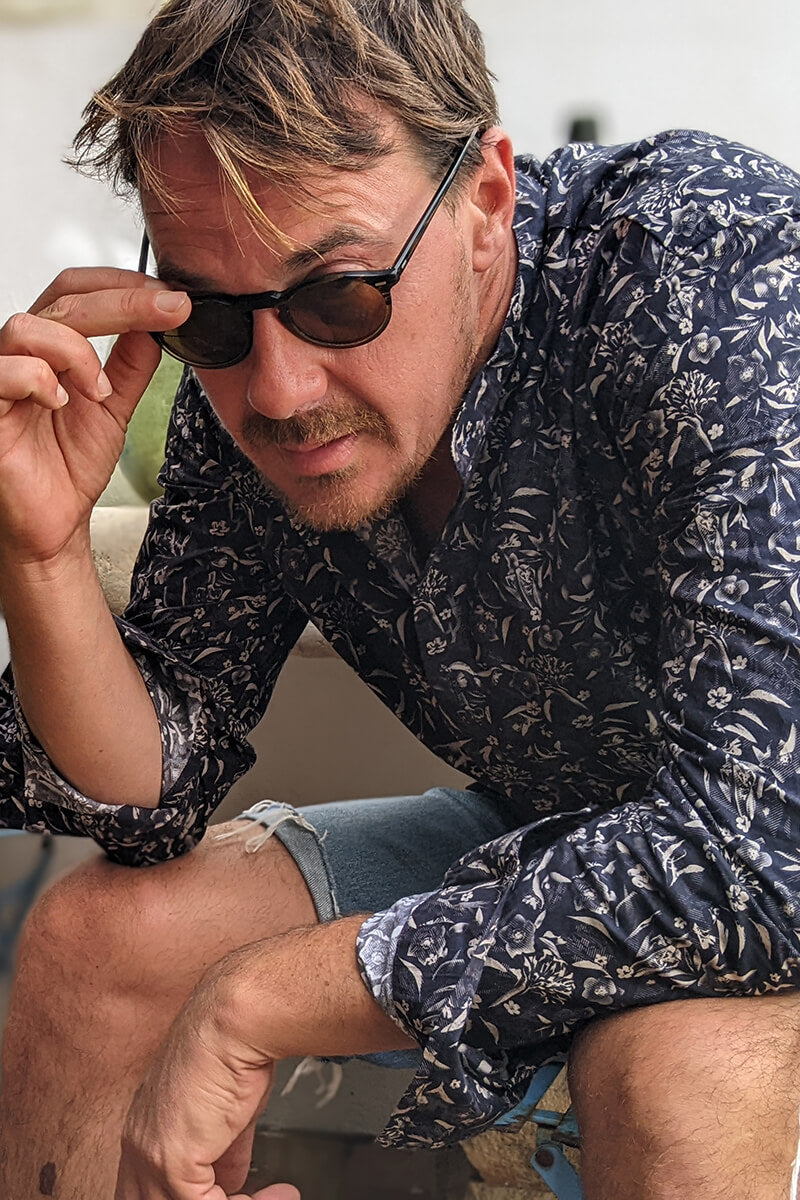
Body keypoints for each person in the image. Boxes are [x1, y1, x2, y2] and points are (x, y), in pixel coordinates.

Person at [1, 1, 800, 1197]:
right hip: (566, 828)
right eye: (210, 315)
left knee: (670, 1068)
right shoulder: (249, 377)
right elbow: (151, 796)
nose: (281, 390)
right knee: (95, 946)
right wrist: (42, 556)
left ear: (485, 199)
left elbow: (764, 849)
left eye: (339, 295)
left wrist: (266, 997)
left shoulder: (715, 267)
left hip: (751, 844)